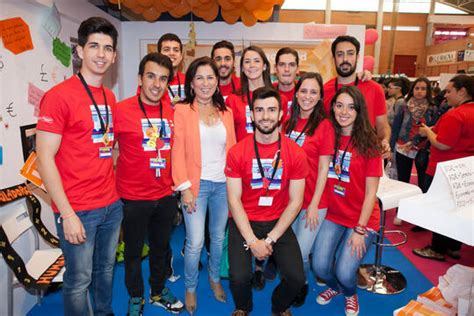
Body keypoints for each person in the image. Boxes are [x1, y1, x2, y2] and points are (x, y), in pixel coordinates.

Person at [36, 17, 123, 316]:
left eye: (107, 48)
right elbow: (44, 157)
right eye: (94, 46)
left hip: (111, 204)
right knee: (78, 280)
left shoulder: (109, 97)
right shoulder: (58, 97)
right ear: (80, 51)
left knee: (106, 271)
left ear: (114, 56)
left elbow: (103, 146)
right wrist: (67, 214)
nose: (101, 54)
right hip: (78, 209)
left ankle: (104, 312)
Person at [226, 87, 308, 316]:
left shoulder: (295, 153)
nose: (265, 116)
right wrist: (253, 242)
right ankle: (243, 307)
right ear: (252, 114)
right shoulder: (237, 152)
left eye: (272, 110)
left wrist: (270, 239)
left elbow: (296, 201)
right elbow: (233, 200)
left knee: (296, 278)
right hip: (245, 220)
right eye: (259, 110)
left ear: (281, 114)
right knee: (239, 277)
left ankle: (278, 306)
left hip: (277, 221)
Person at [114, 53, 184, 315]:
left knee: (161, 248)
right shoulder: (121, 110)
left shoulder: (173, 112)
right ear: (140, 78)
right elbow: (106, 150)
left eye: (163, 79)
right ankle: (135, 295)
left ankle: (157, 291)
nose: (157, 84)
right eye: (151, 76)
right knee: (132, 252)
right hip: (132, 197)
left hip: (165, 195)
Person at [172, 56, 236, 314]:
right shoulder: (182, 111)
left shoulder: (226, 113)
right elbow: (176, 152)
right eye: (200, 77)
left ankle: (214, 278)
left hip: (222, 185)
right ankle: (190, 287)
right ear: (191, 83)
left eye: (210, 77)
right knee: (196, 241)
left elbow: (232, 151)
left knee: (218, 238)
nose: (206, 82)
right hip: (195, 186)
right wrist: (184, 187)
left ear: (217, 83)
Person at [313, 86, 382, 316]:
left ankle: (350, 292)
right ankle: (337, 289)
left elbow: (372, 193)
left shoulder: (370, 142)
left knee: (345, 272)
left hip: (362, 219)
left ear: (359, 110)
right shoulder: (329, 135)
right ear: (332, 108)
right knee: (320, 266)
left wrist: (360, 230)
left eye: (351, 107)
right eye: (339, 105)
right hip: (335, 214)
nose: (344, 112)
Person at [283, 72, 334, 307]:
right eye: (304, 90)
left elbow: (324, 167)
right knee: (288, 248)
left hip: (313, 199)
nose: (307, 96)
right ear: (296, 92)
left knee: (301, 251)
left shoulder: (324, 126)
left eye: (314, 92)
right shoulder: (288, 122)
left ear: (320, 96)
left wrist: (314, 204)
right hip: (289, 199)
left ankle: (300, 283)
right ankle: (293, 279)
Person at [413, 74, 474, 261]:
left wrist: (428, 131)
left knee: (441, 209)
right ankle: (453, 247)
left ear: (462, 91)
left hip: (444, 169)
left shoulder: (456, 115)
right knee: (457, 209)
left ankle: (437, 248)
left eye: (449, 91)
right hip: (464, 171)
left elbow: (442, 144)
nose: (445, 95)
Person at [323, 35, 391, 159]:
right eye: (340, 54)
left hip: (364, 157)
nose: (345, 59)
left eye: (350, 54)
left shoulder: (374, 89)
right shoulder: (324, 90)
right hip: (332, 158)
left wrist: (385, 141)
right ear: (333, 59)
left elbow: (382, 126)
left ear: (357, 57)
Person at [226, 45, 288, 142]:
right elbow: (230, 137)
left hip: (271, 155)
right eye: (247, 62)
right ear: (242, 68)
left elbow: (280, 135)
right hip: (243, 154)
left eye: (256, 61)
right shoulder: (232, 100)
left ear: (264, 66)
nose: (252, 65)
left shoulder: (279, 99)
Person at [390, 77, 433, 185]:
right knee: (402, 181)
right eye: (417, 88)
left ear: (428, 91)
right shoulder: (403, 105)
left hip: (422, 148)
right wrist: (391, 148)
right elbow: (396, 127)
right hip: (402, 147)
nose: (419, 91)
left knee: (423, 182)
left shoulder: (432, 108)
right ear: (412, 89)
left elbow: (433, 128)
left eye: (423, 89)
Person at [158, 33, 185, 103]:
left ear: (181, 56)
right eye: (166, 50)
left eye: (176, 50)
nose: (172, 53)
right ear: (159, 54)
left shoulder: (189, 80)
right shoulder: (152, 81)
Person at [273, 47, 299, 112]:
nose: (287, 69)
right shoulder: (267, 92)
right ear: (275, 68)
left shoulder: (305, 92)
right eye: (282, 64)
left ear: (298, 69)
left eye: (292, 65)